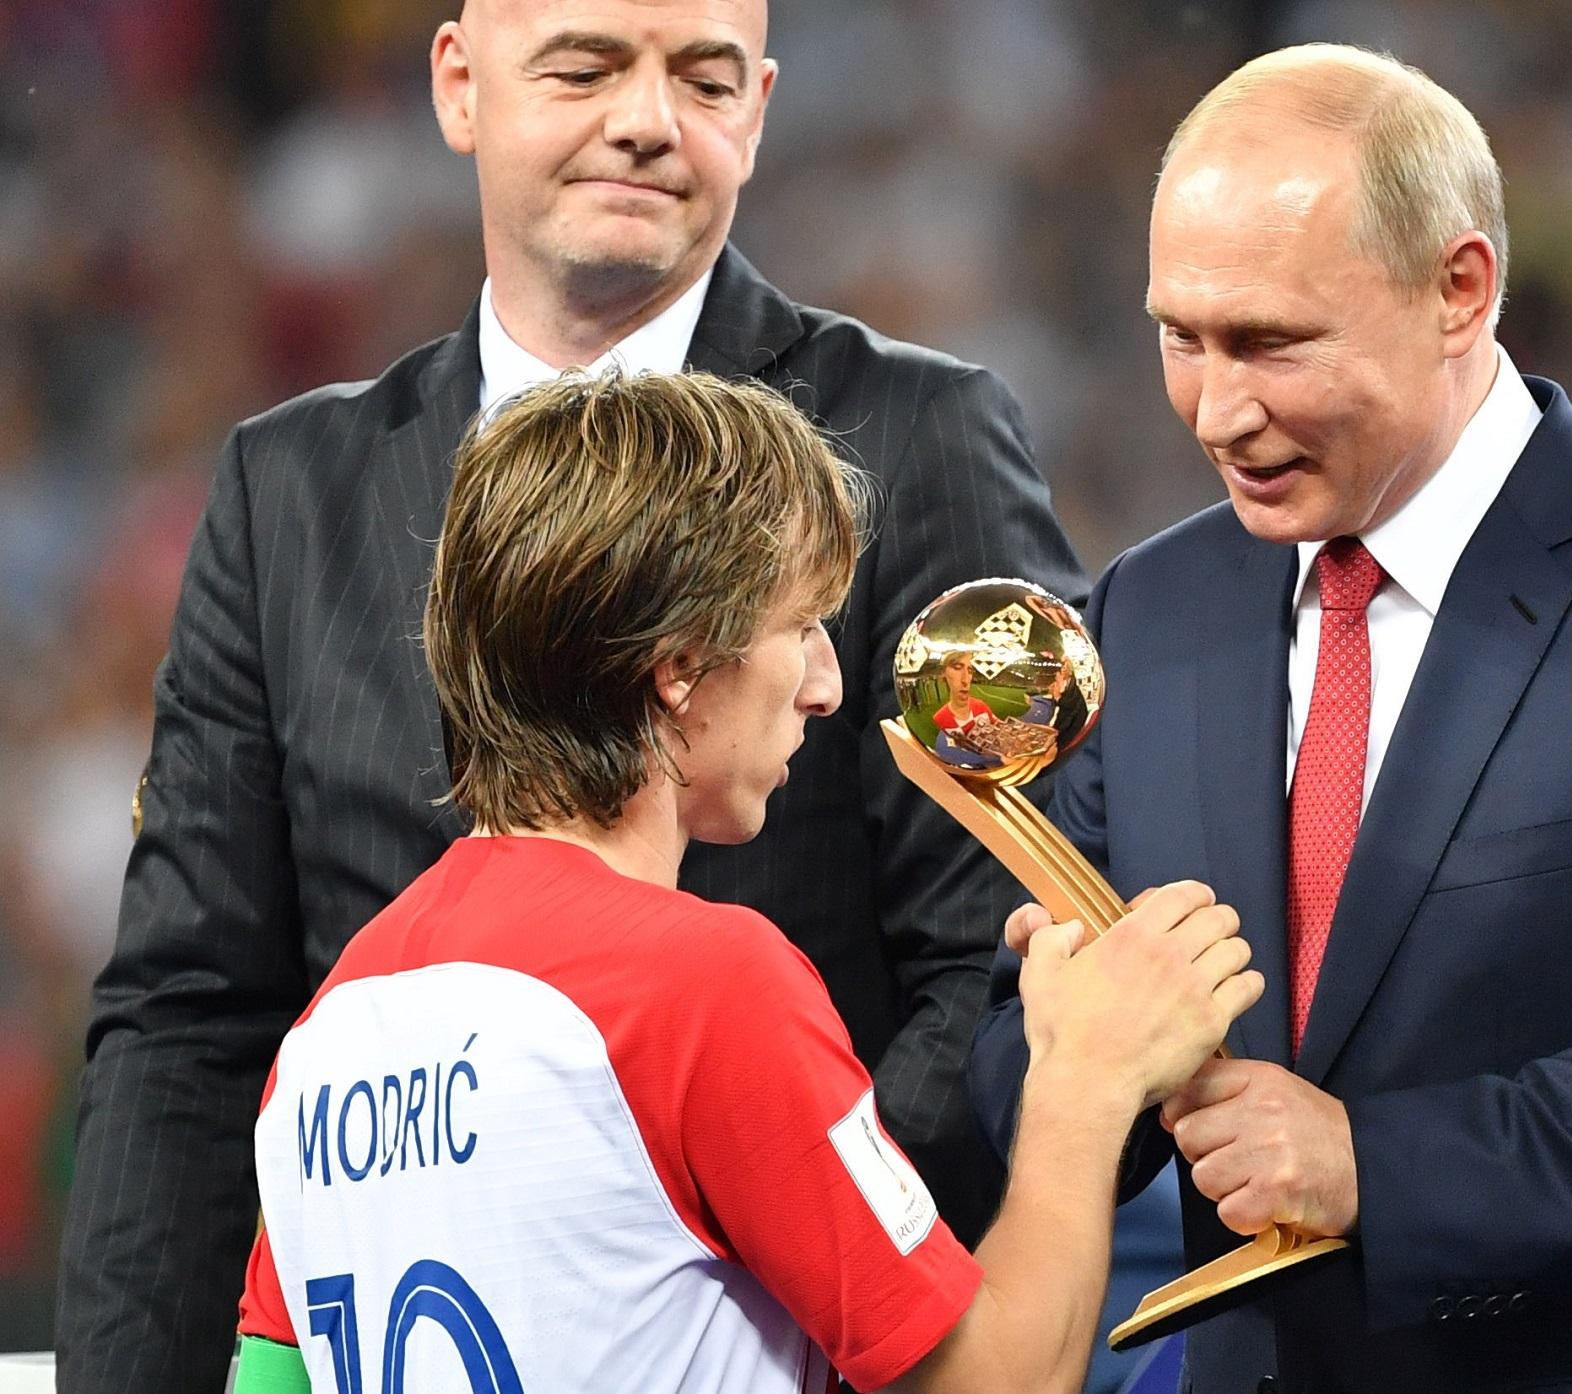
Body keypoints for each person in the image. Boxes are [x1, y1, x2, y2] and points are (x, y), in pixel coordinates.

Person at [58, 2, 1083, 1390]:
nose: (650, 118)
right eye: (588, 66)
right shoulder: (285, 491)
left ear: (762, 106)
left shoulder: (920, 436)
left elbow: (1009, 947)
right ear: (460, 84)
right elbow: (190, 1017)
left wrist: (742, 1247)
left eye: (704, 77)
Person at [970, 44, 1572, 1394]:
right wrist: (1073, 1057)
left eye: (1273, 341)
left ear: (1459, 289)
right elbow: (1031, 1059)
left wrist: (1373, 1165)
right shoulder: (1150, 611)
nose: (1218, 409)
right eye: (1182, 335)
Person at [230, 369, 1261, 1394]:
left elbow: (268, 1380)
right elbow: (990, 1381)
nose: (827, 684)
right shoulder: (701, 984)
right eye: (801, 625)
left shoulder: (331, 1022)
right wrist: (1083, 1080)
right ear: (678, 666)